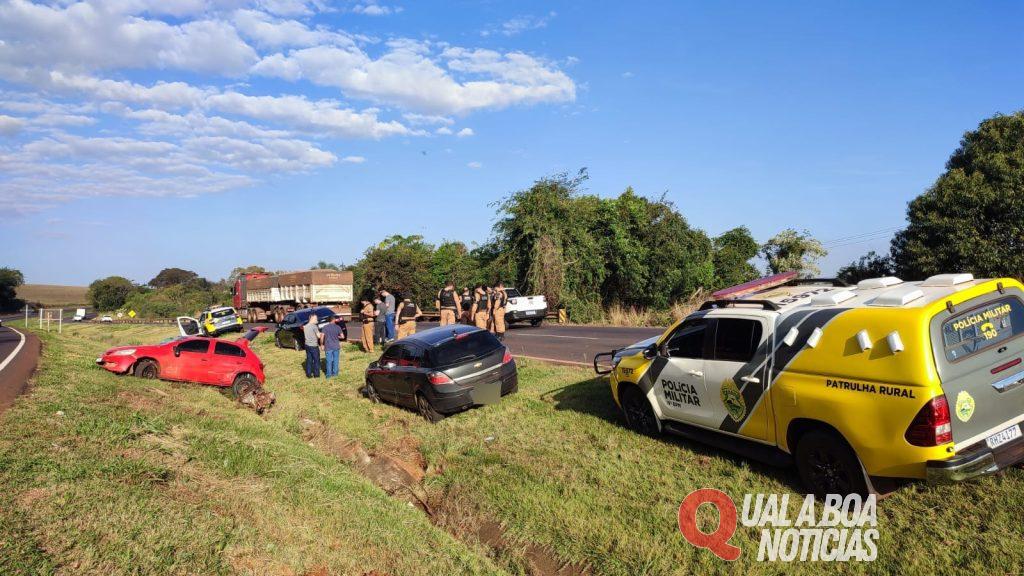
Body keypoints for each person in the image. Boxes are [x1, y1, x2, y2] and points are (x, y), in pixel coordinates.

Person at [321, 314, 345, 378]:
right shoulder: (338, 327)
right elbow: (342, 337)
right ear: (334, 320)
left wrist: (321, 344)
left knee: (329, 361)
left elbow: (322, 337)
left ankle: (328, 375)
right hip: (336, 346)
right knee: (336, 360)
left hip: (328, 346)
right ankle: (335, 374)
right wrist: (337, 336)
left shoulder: (325, 327)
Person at [302, 313, 321, 378]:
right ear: (312, 318)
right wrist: (322, 333)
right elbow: (318, 336)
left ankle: (308, 374)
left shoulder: (305, 326)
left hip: (307, 345)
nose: (317, 320)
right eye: (316, 319)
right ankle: (316, 374)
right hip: (313, 346)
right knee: (316, 360)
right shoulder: (314, 326)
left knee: (309, 359)